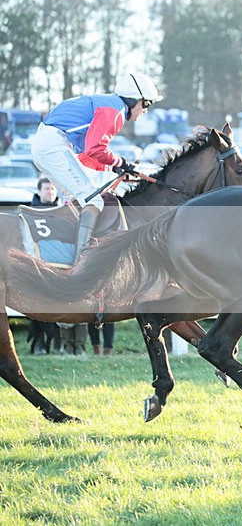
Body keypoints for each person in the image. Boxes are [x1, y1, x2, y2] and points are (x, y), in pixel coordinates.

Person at [30, 72, 162, 262]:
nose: (145, 111)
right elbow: (95, 148)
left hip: (47, 145)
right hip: (53, 146)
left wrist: (114, 168)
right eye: (146, 104)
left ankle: (67, 250)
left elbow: (85, 156)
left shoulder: (109, 105)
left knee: (80, 200)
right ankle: (84, 259)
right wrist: (121, 162)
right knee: (94, 201)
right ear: (133, 100)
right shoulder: (115, 111)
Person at [28, 177, 62, 355]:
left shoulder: (63, 211)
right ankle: (39, 343)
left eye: (53, 189)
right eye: (47, 189)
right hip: (36, 264)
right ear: (39, 192)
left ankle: (58, 343)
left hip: (59, 265)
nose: (50, 192)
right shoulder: (30, 211)